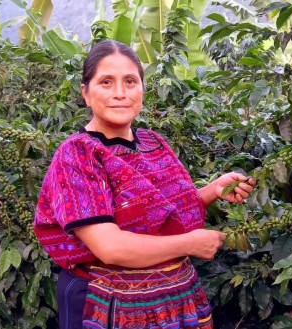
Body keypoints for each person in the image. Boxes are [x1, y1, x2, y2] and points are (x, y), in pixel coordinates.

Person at [34, 40, 257, 329]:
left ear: (142, 89)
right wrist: (190, 243)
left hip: (174, 298)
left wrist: (213, 190)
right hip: (109, 304)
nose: (119, 93)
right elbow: (110, 247)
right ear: (86, 93)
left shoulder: (152, 142)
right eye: (106, 82)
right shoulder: (78, 154)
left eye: (130, 81)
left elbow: (158, 215)